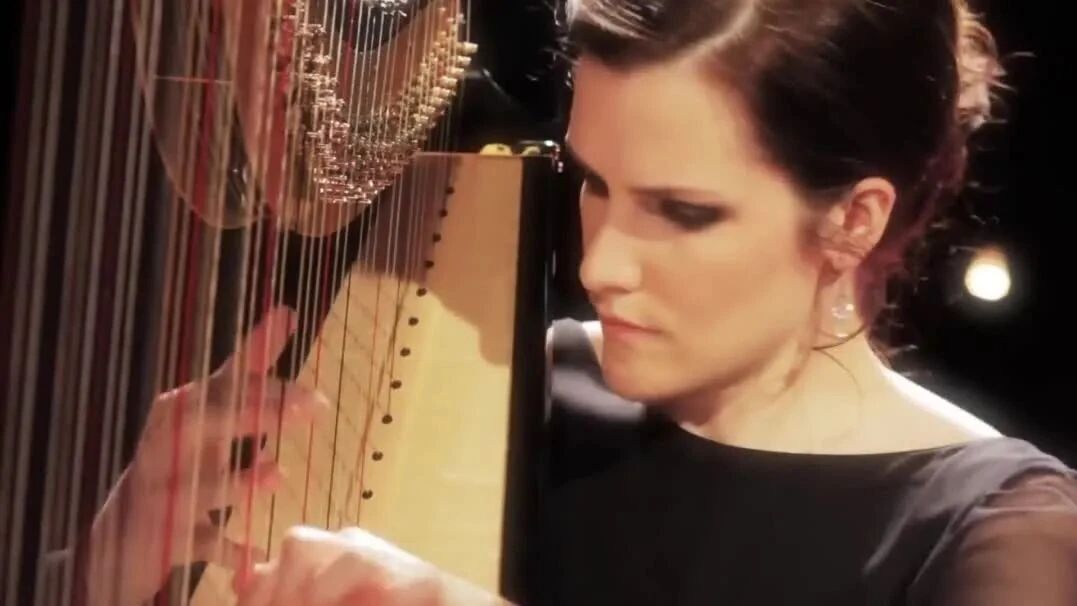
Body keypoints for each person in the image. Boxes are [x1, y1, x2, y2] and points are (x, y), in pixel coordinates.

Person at [86, 0, 1077, 604]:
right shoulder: (529, 383)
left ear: (853, 219)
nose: (601, 265)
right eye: (594, 183)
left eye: (681, 211)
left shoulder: (994, 528)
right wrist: (111, 567)